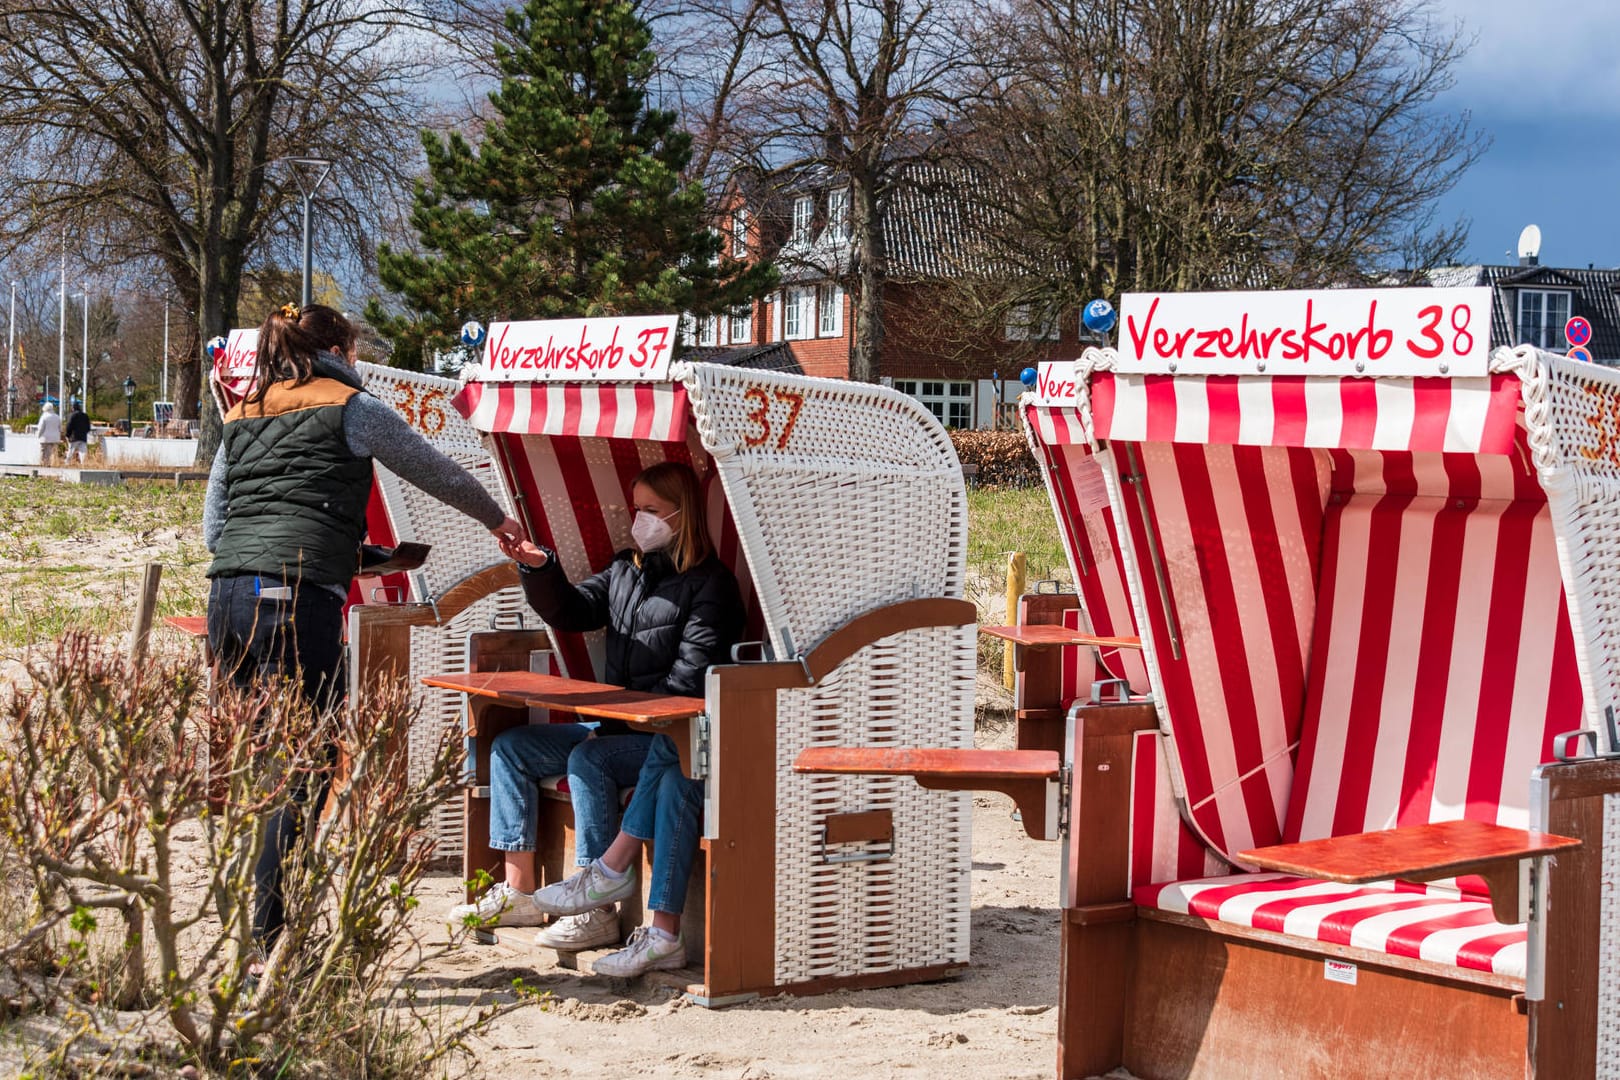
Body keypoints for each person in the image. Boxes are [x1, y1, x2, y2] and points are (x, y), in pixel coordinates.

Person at [204, 302, 526, 950]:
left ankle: (246, 925)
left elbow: (218, 529)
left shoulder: (243, 412)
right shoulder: (350, 407)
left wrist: (358, 556)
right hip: (292, 605)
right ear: (341, 351)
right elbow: (433, 469)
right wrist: (500, 521)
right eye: (354, 350)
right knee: (306, 766)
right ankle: (272, 942)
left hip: (228, 601)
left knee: (256, 759)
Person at [448, 460, 741, 972]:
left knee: (591, 758)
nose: (639, 520)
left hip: (661, 732)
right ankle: (519, 892)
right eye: (636, 509)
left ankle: (598, 902)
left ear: (681, 514)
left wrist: (632, 713)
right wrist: (539, 567)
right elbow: (572, 611)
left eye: (651, 510)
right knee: (512, 747)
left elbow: (691, 679)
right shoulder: (626, 568)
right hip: (619, 725)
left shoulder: (710, 584)